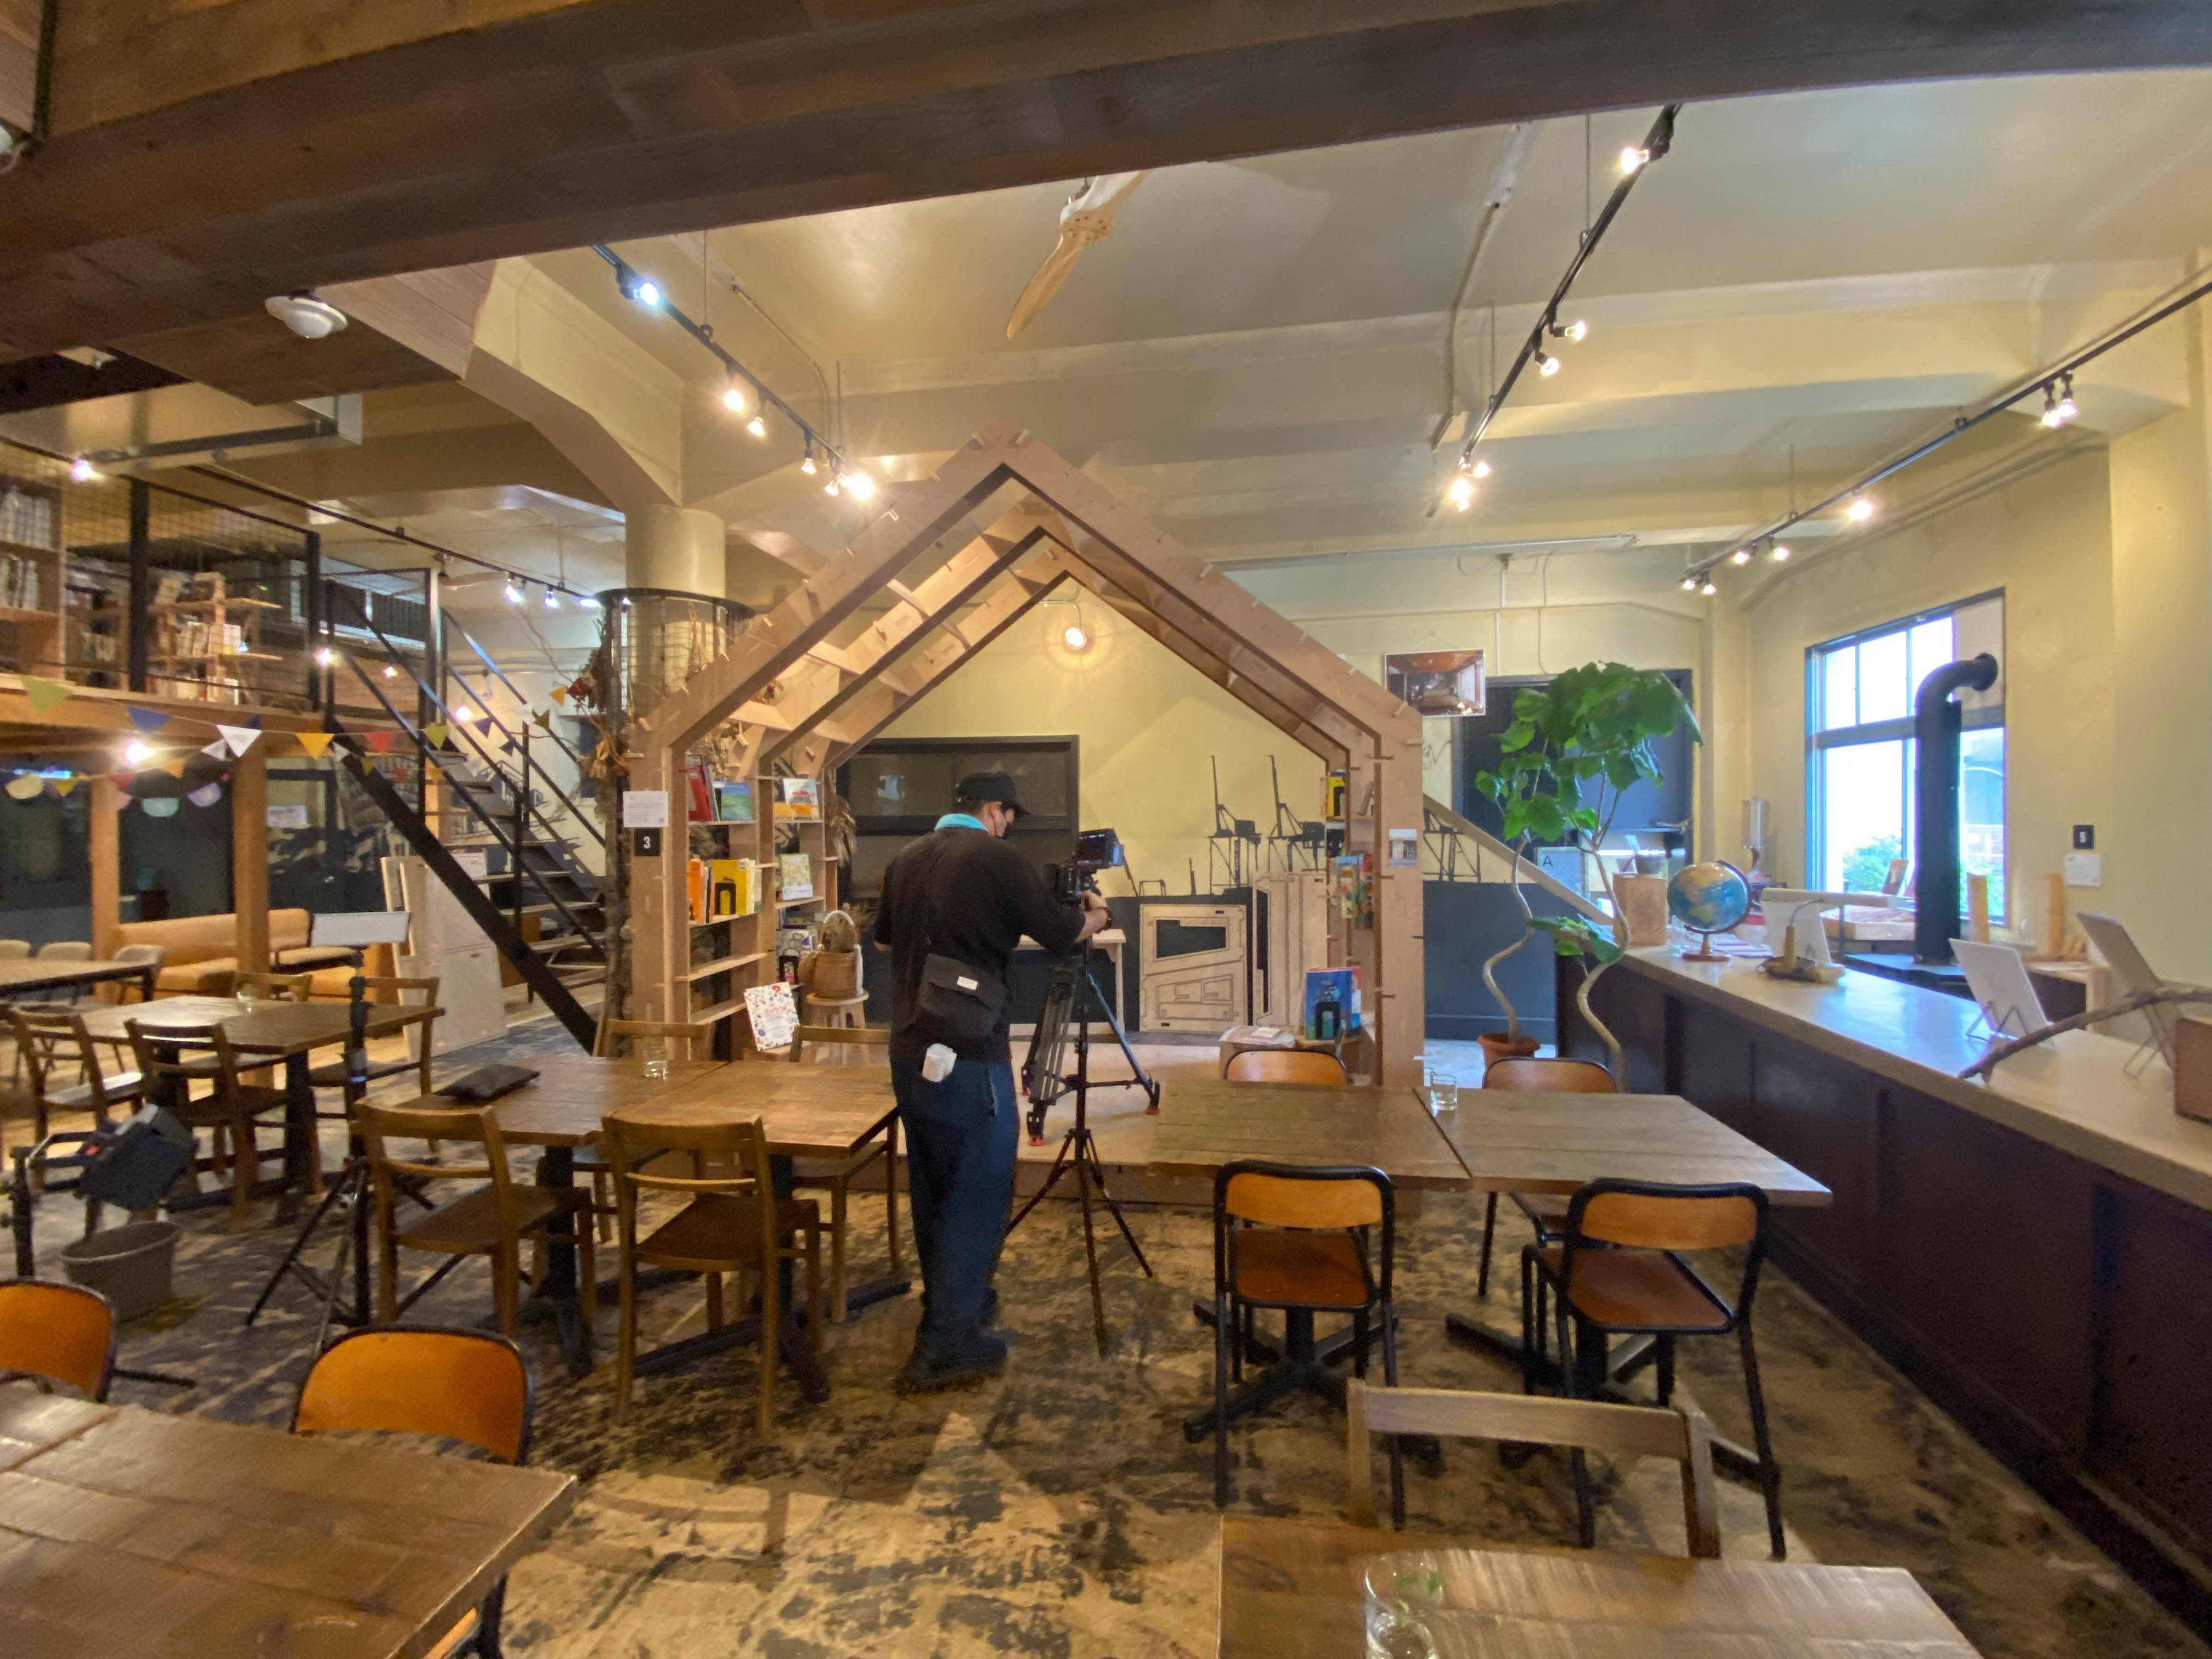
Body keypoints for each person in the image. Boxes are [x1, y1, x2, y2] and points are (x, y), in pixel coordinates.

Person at [874, 770, 1108, 1390]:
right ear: (994, 810)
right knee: (978, 1186)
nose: (1009, 827)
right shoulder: (995, 858)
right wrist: (1096, 912)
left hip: (909, 1049)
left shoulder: (906, 858)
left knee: (934, 1182)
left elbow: (886, 941)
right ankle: (946, 1344)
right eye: (1009, 816)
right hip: (969, 1050)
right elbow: (1063, 935)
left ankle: (956, 1302)